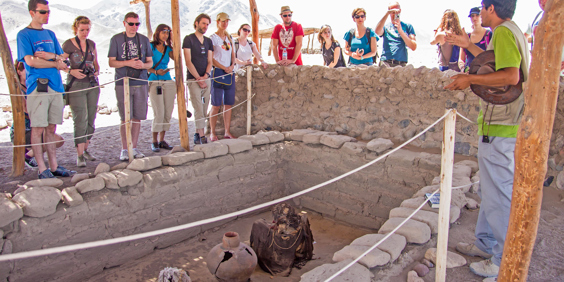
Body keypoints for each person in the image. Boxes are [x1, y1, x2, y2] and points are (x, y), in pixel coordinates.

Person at [444, 0, 530, 278]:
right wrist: (467, 45)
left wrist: (469, 79)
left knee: (499, 195)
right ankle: (485, 243)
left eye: (482, 7)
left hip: (500, 124)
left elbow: (509, 75)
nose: (480, 12)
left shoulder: (504, 32)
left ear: (491, 8)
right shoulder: (512, 30)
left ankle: (502, 261)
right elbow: (493, 62)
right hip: (501, 124)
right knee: (490, 190)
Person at [17, 0, 73, 179]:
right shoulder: (24, 34)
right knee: (38, 128)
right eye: (42, 12)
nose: (46, 15)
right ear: (32, 12)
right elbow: (31, 61)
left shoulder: (50, 33)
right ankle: (42, 168)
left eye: (48, 12)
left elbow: (63, 62)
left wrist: (54, 58)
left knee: (51, 127)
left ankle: (54, 166)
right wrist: (54, 63)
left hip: (56, 85)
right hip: (39, 86)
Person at [108, 12, 153, 161]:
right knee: (125, 117)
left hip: (140, 81)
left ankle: (133, 147)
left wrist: (142, 65)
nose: (134, 27)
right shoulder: (116, 39)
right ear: (124, 23)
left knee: (137, 117)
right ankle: (124, 148)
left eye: (136, 24)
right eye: (131, 24)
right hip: (123, 81)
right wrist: (128, 63)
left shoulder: (144, 39)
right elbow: (111, 62)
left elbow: (150, 63)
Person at [10, 59, 64, 169]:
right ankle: (28, 156)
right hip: (23, 130)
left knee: (57, 139)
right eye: (27, 70)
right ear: (19, 71)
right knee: (55, 139)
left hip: (37, 125)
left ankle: (31, 154)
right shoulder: (18, 90)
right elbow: (27, 110)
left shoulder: (34, 86)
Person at [62, 16, 100, 167]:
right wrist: (71, 71)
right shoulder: (69, 44)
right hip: (76, 85)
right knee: (80, 119)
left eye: (87, 30)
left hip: (91, 84)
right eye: (82, 30)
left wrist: (96, 71)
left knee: (91, 118)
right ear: (75, 29)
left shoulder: (91, 44)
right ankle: (79, 155)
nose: (85, 33)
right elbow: (60, 61)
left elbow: (96, 62)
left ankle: (85, 149)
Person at [183, 13, 214, 145]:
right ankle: (202, 135)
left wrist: (205, 76)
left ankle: (197, 132)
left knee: (205, 107)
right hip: (193, 78)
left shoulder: (208, 41)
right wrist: (198, 78)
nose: (205, 26)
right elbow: (188, 61)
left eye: (207, 24)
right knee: (197, 107)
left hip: (206, 77)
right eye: (203, 23)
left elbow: (210, 61)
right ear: (196, 23)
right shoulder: (188, 39)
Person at [147, 24, 176, 152]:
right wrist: (156, 72)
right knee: (158, 111)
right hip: (154, 81)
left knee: (167, 111)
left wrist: (173, 41)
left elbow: (177, 58)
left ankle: (162, 140)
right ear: (158, 33)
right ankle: (154, 141)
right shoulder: (151, 47)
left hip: (168, 80)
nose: (165, 35)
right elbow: (144, 65)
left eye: (167, 33)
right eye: (163, 32)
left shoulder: (167, 48)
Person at [209, 13, 236, 142]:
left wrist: (231, 66)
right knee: (216, 104)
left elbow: (233, 55)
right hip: (218, 72)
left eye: (227, 21)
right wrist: (223, 67)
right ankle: (212, 132)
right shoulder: (213, 38)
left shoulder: (229, 37)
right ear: (218, 22)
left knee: (228, 104)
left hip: (229, 72)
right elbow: (211, 58)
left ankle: (227, 131)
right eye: (223, 21)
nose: (225, 23)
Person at [375, 1, 417, 67]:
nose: (394, 14)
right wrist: (387, 14)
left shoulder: (407, 26)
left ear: (400, 11)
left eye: (396, 12)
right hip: (386, 62)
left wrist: (401, 31)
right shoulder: (386, 27)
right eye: (392, 12)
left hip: (401, 63)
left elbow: (413, 46)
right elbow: (377, 31)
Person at [460, 7, 492, 72]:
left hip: (484, 73)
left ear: (481, 16)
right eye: (472, 16)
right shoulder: (467, 36)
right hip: (469, 73)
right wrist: (463, 69)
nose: (474, 18)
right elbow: (461, 59)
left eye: (477, 15)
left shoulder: (489, 35)